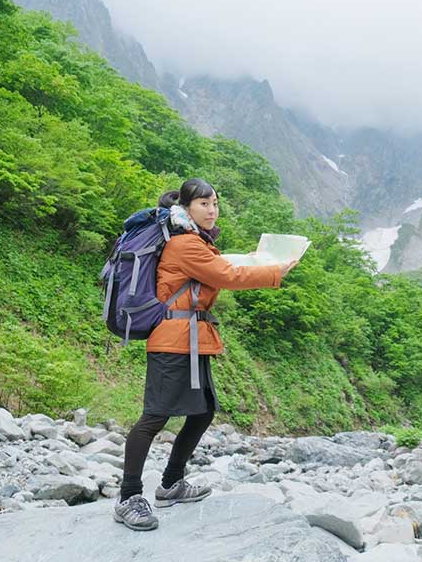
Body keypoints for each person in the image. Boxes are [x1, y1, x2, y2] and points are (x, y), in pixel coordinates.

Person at [113, 178, 297, 531]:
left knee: (203, 412)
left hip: (193, 338)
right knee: (154, 417)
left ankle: (171, 483)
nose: (212, 210)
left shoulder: (197, 242)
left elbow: (219, 269)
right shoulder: (185, 244)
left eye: (215, 203)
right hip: (173, 339)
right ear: (186, 208)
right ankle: (128, 496)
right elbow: (227, 275)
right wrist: (275, 270)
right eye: (204, 204)